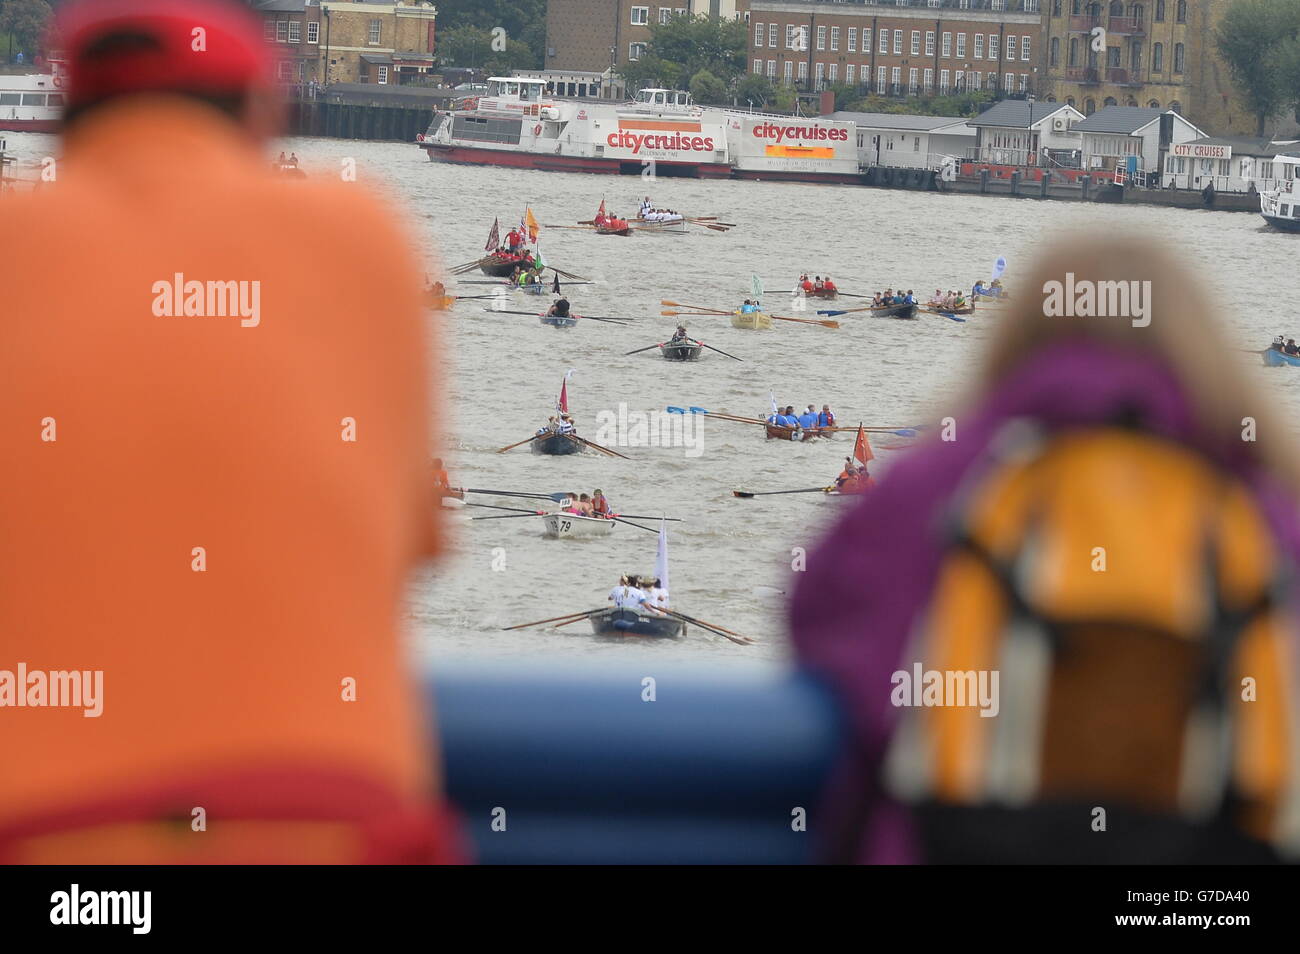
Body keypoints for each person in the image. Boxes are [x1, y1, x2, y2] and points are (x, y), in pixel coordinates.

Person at [0, 0, 458, 864]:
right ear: (262, 113)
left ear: (62, 127)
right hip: (327, 825)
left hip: (47, 840)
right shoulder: (365, 236)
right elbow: (408, 550)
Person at [791, 234, 1300, 864]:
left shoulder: (938, 485)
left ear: (1023, 337)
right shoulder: (1270, 507)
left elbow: (819, 620)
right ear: (1206, 352)